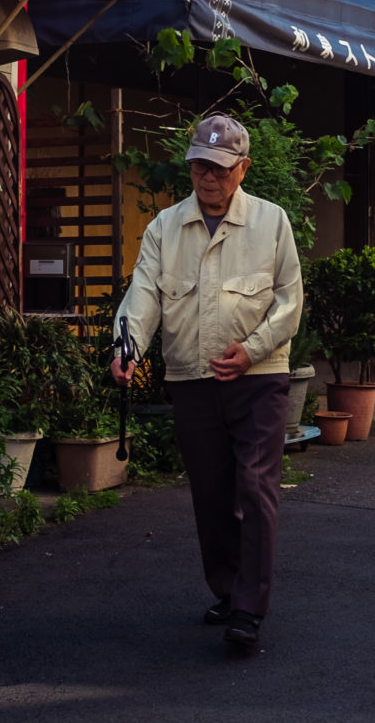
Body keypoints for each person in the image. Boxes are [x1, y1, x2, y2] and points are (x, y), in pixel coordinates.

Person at [111, 115, 302, 652]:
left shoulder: (272, 222)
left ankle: (249, 608)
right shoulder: (165, 228)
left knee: (255, 486)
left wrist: (254, 350)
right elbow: (143, 294)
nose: (207, 176)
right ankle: (227, 587)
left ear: (243, 168)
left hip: (259, 379)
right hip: (191, 379)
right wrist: (125, 347)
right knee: (211, 493)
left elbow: (290, 302)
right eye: (199, 164)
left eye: (219, 167)